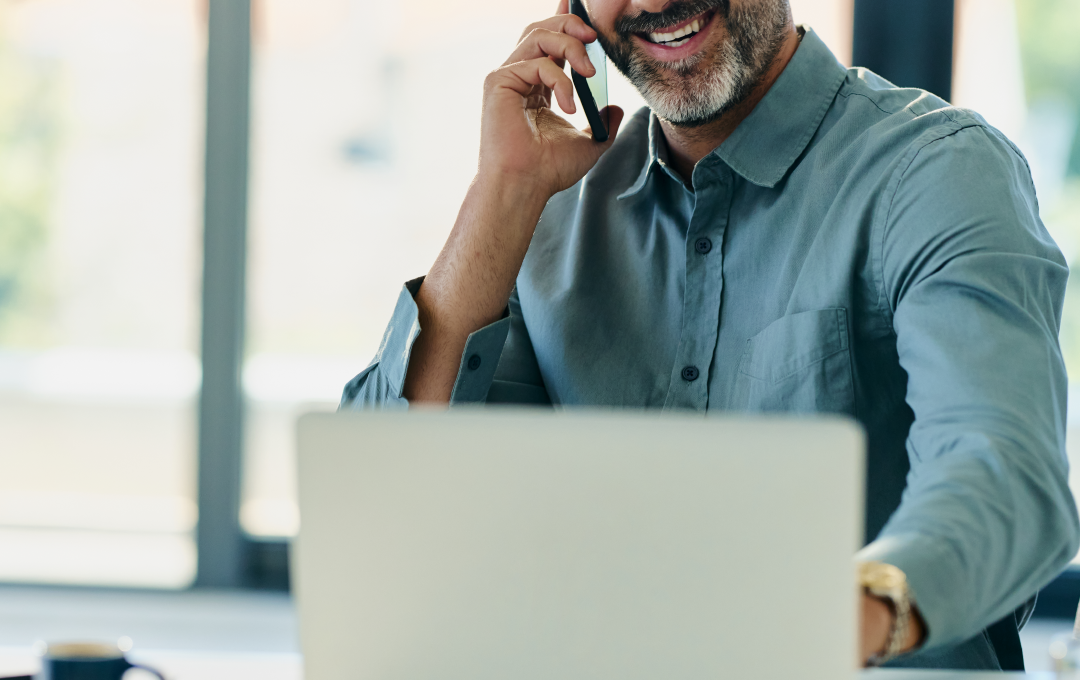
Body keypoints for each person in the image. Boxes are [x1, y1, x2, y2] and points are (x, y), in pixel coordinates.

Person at [341, 0, 1080, 669]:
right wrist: (500, 191)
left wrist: (846, 617)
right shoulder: (547, 206)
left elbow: (1006, 476)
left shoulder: (938, 173)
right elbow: (378, 521)